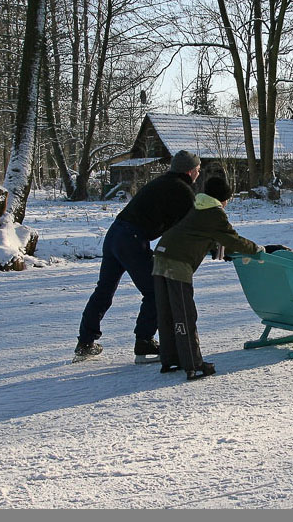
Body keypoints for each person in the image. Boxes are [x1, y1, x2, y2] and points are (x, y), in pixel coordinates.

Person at [73, 150, 202, 363]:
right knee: (155, 290)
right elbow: (191, 225)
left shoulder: (163, 182)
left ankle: (85, 342)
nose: (198, 173)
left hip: (115, 234)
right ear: (190, 171)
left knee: (104, 290)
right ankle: (144, 343)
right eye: (197, 169)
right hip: (132, 239)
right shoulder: (183, 191)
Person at [151, 176, 264, 380]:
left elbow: (203, 236)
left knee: (166, 312)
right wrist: (256, 249)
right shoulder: (214, 214)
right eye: (228, 198)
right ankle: (194, 365)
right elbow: (232, 239)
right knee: (184, 314)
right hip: (177, 262)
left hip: (160, 256)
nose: (228, 202)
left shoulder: (198, 207)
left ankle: (170, 359)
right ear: (222, 198)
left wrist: (220, 251)